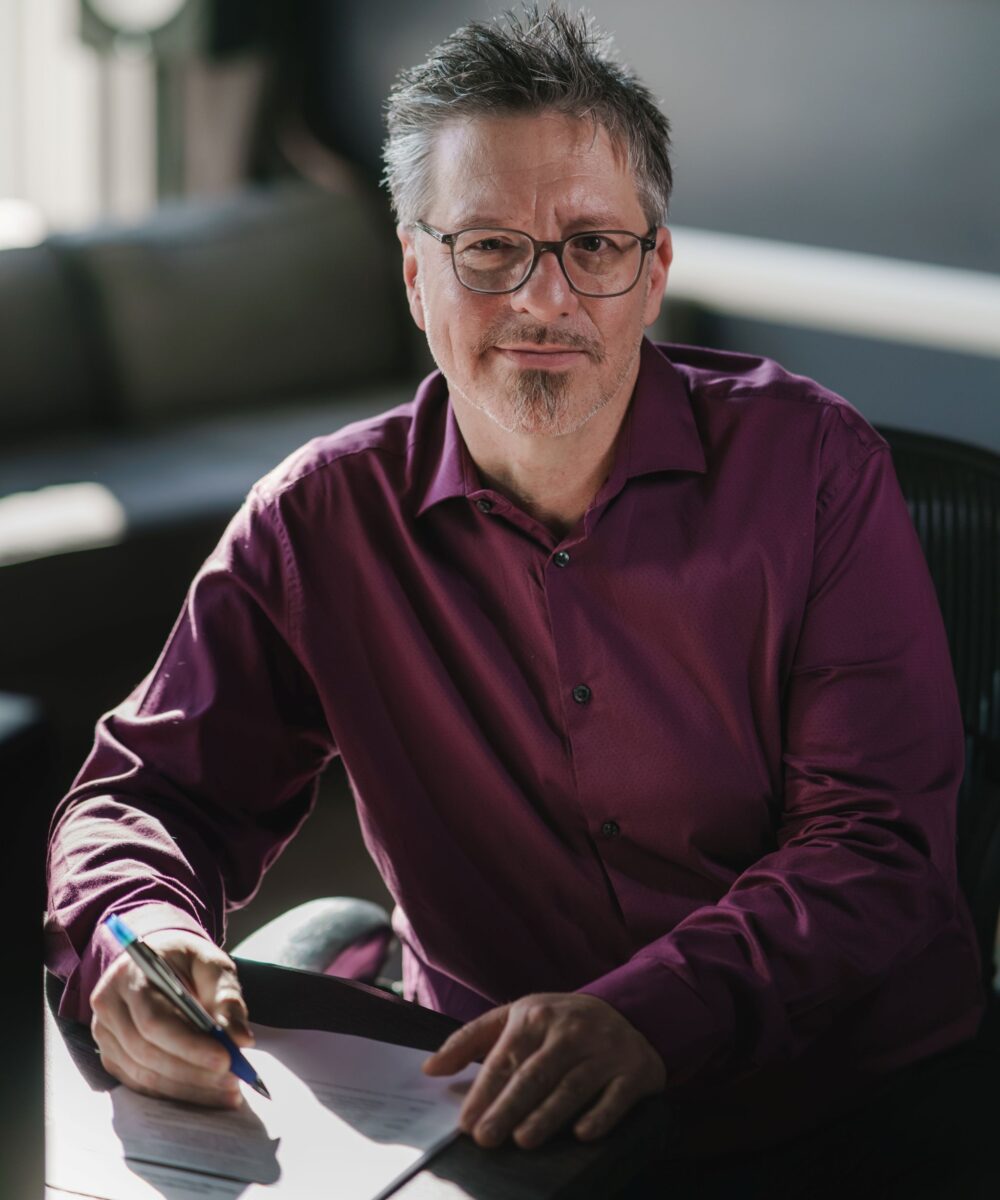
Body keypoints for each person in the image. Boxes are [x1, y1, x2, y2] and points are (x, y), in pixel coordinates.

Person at [46, 5, 989, 1195]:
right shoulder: (318, 522)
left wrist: (648, 1013)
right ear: (411, 272)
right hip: (491, 1117)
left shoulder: (814, 470)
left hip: (829, 1100)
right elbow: (146, 794)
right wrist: (138, 935)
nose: (543, 302)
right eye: (487, 247)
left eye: (591, 245)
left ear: (654, 273)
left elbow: (878, 849)